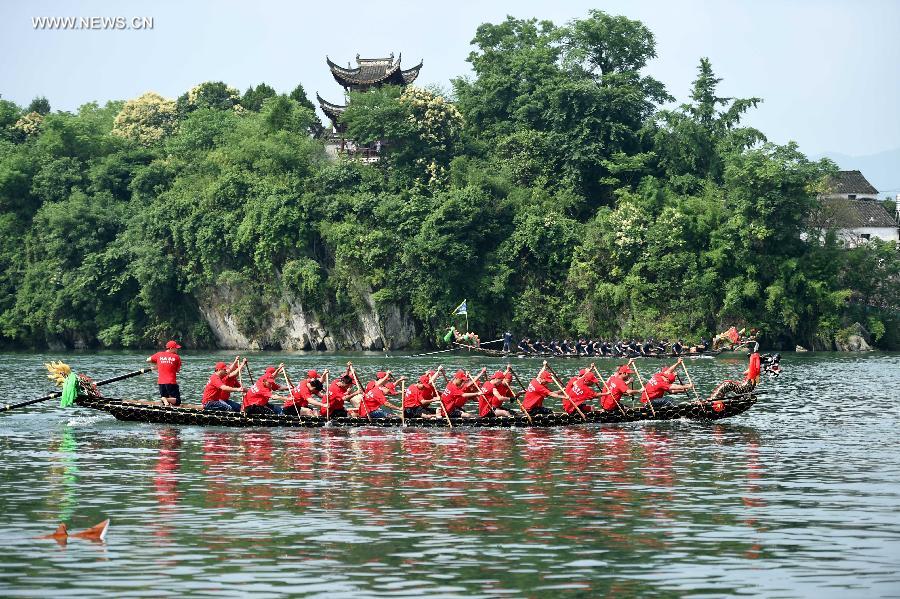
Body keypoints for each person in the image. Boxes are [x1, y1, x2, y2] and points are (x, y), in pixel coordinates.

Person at [147, 340, 182, 406]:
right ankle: (166, 399)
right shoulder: (176, 357)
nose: (177, 350)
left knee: (166, 404)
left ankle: (165, 400)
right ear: (171, 348)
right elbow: (178, 370)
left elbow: (148, 360)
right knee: (177, 401)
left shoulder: (159, 354)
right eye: (176, 348)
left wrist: (159, 364)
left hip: (161, 383)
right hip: (171, 382)